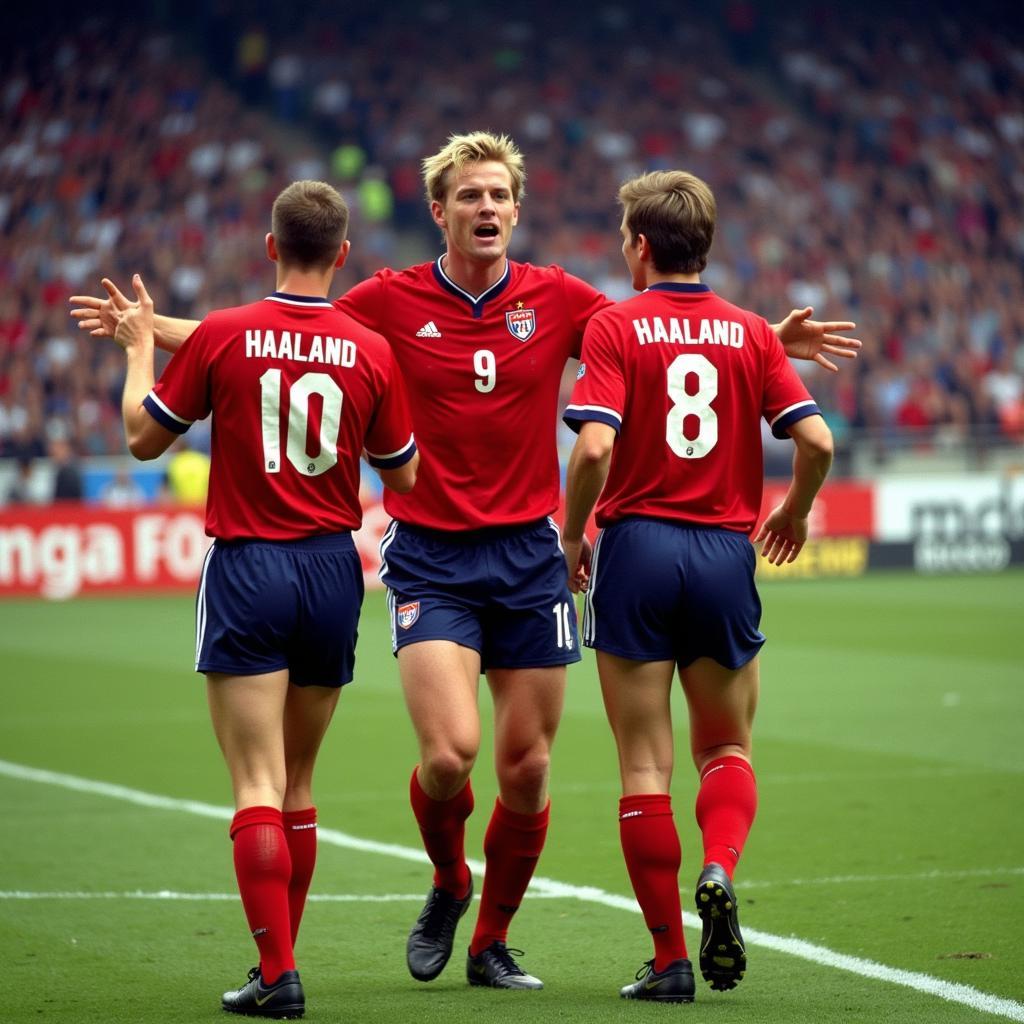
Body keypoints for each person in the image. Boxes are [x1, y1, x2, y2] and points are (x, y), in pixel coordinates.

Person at [71, 131, 857, 992]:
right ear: (439, 211)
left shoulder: (560, 299)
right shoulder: (387, 299)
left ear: (517, 209)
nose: (486, 208)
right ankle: (449, 878)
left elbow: (667, 330)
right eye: (469, 196)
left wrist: (759, 342)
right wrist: (153, 331)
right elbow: (266, 336)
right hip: (432, 557)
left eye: (499, 195)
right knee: (450, 757)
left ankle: (491, 940)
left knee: (526, 770)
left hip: (529, 557)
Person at [93, 180, 418, 1019]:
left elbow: (140, 438)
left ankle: (278, 975)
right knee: (299, 780)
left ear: (269, 246)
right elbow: (407, 474)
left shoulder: (227, 335)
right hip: (330, 571)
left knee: (254, 783)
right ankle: (282, 962)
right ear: (344, 256)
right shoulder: (372, 349)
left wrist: (137, 348)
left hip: (247, 568)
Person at [561, 170, 834, 1003]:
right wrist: (792, 513)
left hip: (637, 550)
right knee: (726, 747)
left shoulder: (614, 325)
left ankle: (669, 960)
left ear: (641, 247)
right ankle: (719, 865)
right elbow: (817, 441)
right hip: (722, 555)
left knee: (645, 767)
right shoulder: (752, 333)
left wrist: (572, 534)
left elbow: (596, 450)